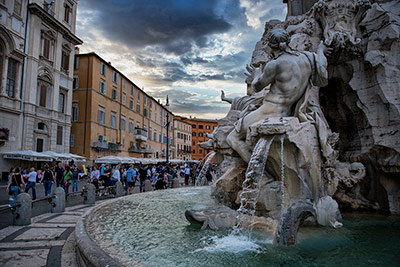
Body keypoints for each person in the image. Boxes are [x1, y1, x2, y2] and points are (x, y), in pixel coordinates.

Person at [226, 28, 328, 163]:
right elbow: (322, 68)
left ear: (269, 46)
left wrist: (255, 74)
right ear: (289, 41)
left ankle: (262, 176)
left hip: (269, 111)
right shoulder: (308, 58)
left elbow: (257, 87)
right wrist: (320, 50)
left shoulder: (275, 64)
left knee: (232, 138)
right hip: (290, 111)